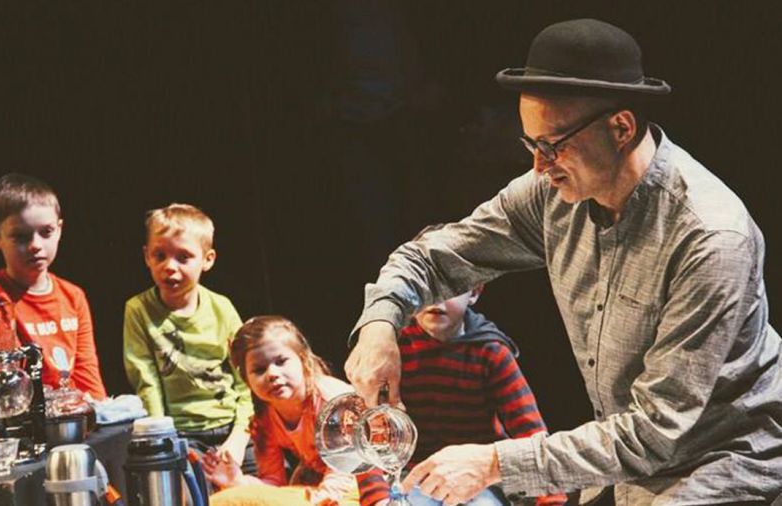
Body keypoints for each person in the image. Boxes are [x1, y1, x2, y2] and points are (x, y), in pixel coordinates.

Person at [345, 18, 782, 505]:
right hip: (625, 460)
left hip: (724, 461)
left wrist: (494, 462)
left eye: (553, 145)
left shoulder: (710, 237)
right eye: (530, 144)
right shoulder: (552, 194)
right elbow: (430, 257)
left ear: (621, 128)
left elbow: (656, 431)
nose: (539, 165)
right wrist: (380, 325)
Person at [397, 283, 565, 505]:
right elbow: (369, 429)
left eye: (449, 289)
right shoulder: (394, 348)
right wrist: (376, 498)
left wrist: (551, 501)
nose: (436, 300)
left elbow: (529, 429)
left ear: (474, 292)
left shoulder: (491, 352)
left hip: (479, 477)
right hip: (414, 476)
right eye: (426, 289)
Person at [203, 316, 388, 506]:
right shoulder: (265, 418)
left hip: (365, 482)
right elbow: (274, 483)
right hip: (318, 487)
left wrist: (319, 498)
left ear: (303, 359)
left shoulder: (332, 401)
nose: (272, 374)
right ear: (246, 380)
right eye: (259, 370)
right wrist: (240, 482)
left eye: (281, 361)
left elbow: (348, 469)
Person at [123, 203, 254, 471]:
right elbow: (147, 382)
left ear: (207, 259)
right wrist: (164, 440)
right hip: (180, 435)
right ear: (147, 256)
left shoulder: (222, 307)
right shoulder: (138, 310)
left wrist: (239, 437)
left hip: (233, 428)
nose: (169, 267)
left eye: (183, 257)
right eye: (160, 255)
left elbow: (246, 381)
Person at [0, 173, 108, 399]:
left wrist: (100, 411)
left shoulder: (73, 296)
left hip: (73, 412)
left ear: (59, 229)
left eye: (46, 232)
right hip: (27, 414)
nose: (36, 245)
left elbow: (88, 377)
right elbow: (5, 389)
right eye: (21, 237)